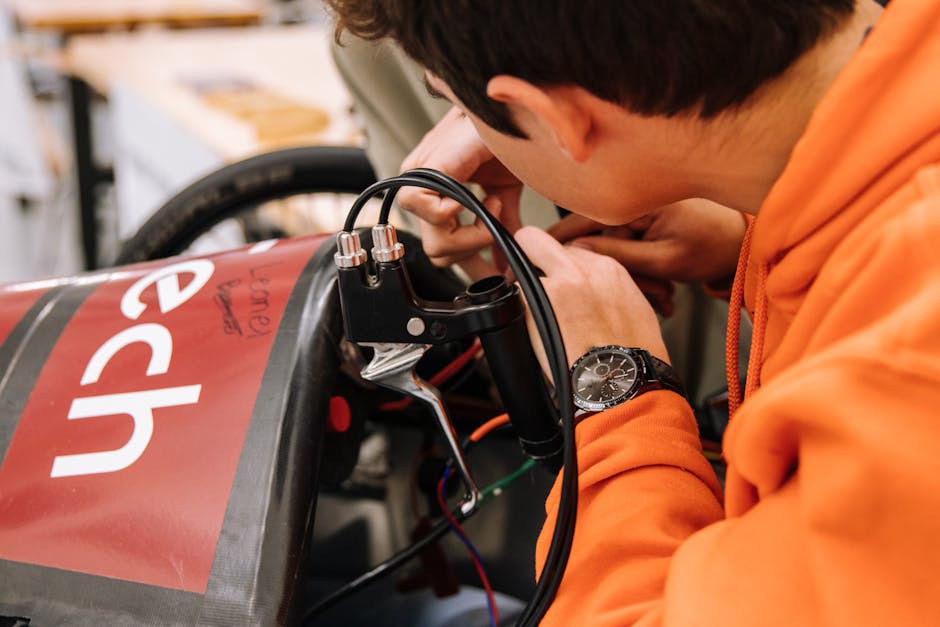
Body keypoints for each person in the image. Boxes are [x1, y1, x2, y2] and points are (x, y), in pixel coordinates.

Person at [325, 1, 940, 625]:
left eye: (470, 115)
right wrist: (744, 244)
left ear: (560, 118)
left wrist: (617, 390)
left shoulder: (902, 380)